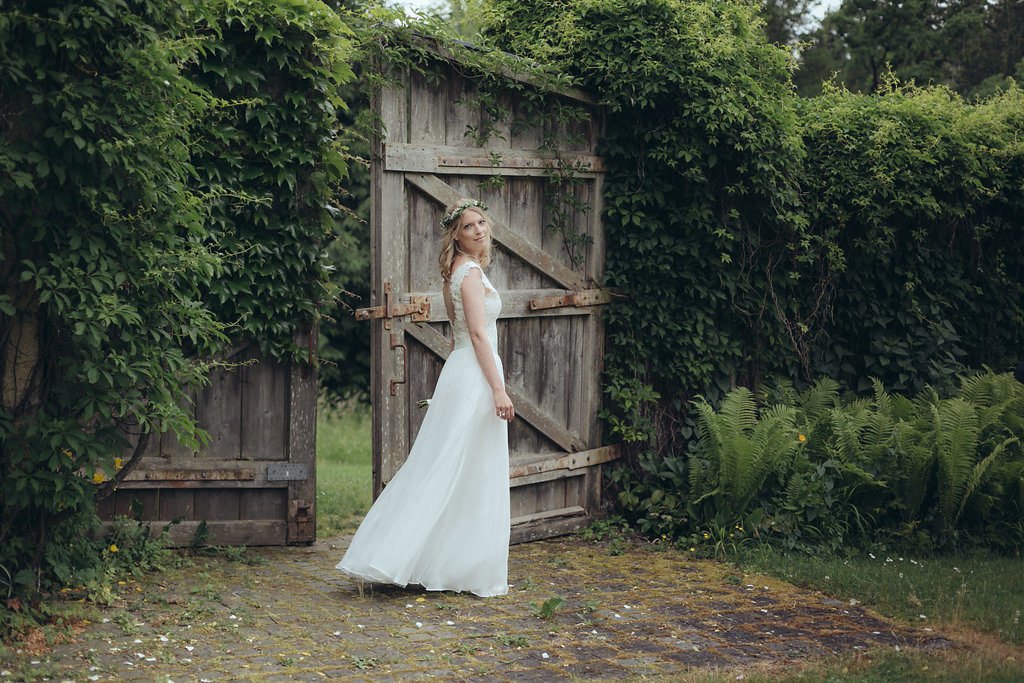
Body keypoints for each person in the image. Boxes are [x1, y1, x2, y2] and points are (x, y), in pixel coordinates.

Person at [336, 198, 514, 597]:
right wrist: (498, 389)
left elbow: (459, 337)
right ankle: (404, 555)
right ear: (457, 235)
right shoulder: (467, 273)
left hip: (466, 370)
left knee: (462, 468)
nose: (479, 230)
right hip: (476, 375)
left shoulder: (462, 271)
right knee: (455, 467)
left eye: (481, 222)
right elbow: (478, 333)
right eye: (469, 226)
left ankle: (456, 562)